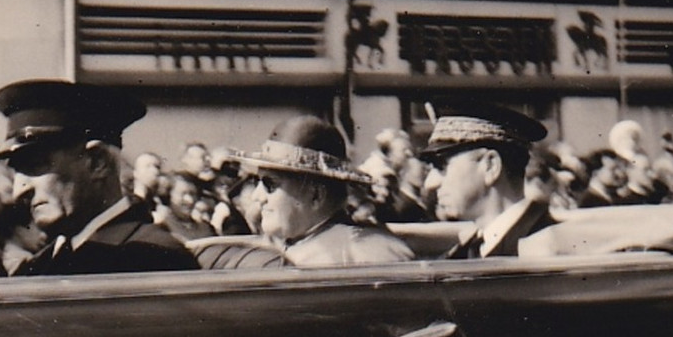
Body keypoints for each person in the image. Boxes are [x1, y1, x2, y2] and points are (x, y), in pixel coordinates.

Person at [0, 80, 197, 276]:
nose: (19, 191)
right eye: (15, 171)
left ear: (98, 162)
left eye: (34, 164)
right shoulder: (41, 265)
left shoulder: (156, 259)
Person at [236, 115, 414, 267]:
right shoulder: (277, 249)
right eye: (256, 181)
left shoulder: (370, 254)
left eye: (270, 184)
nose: (256, 196)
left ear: (316, 195)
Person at [419, 102, 552, 258]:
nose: (430, 183)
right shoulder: (466, 252)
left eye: (442, 166)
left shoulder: (549, 250)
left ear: (490, 166)